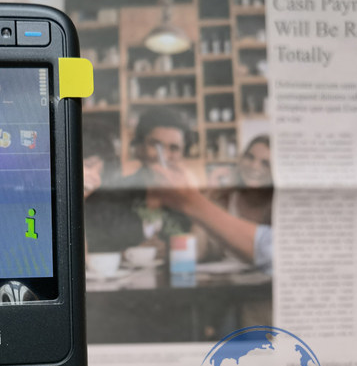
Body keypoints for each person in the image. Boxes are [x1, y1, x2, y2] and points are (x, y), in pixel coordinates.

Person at [148, 136, 273, 275]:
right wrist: (171, 249)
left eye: (265, 163)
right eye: (250, 157)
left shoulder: (278, 207)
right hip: (231, 280)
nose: (254, 166)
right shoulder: (226, 198)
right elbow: (198, 250)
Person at [83, 108, 192, 258]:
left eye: (174, 148)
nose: (164, 156)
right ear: (139, 147)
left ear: (183, 153)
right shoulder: (114, 193)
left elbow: (207, 243)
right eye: (156, 145)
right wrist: (129, 252)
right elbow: (94, 246)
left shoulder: (187, 198)